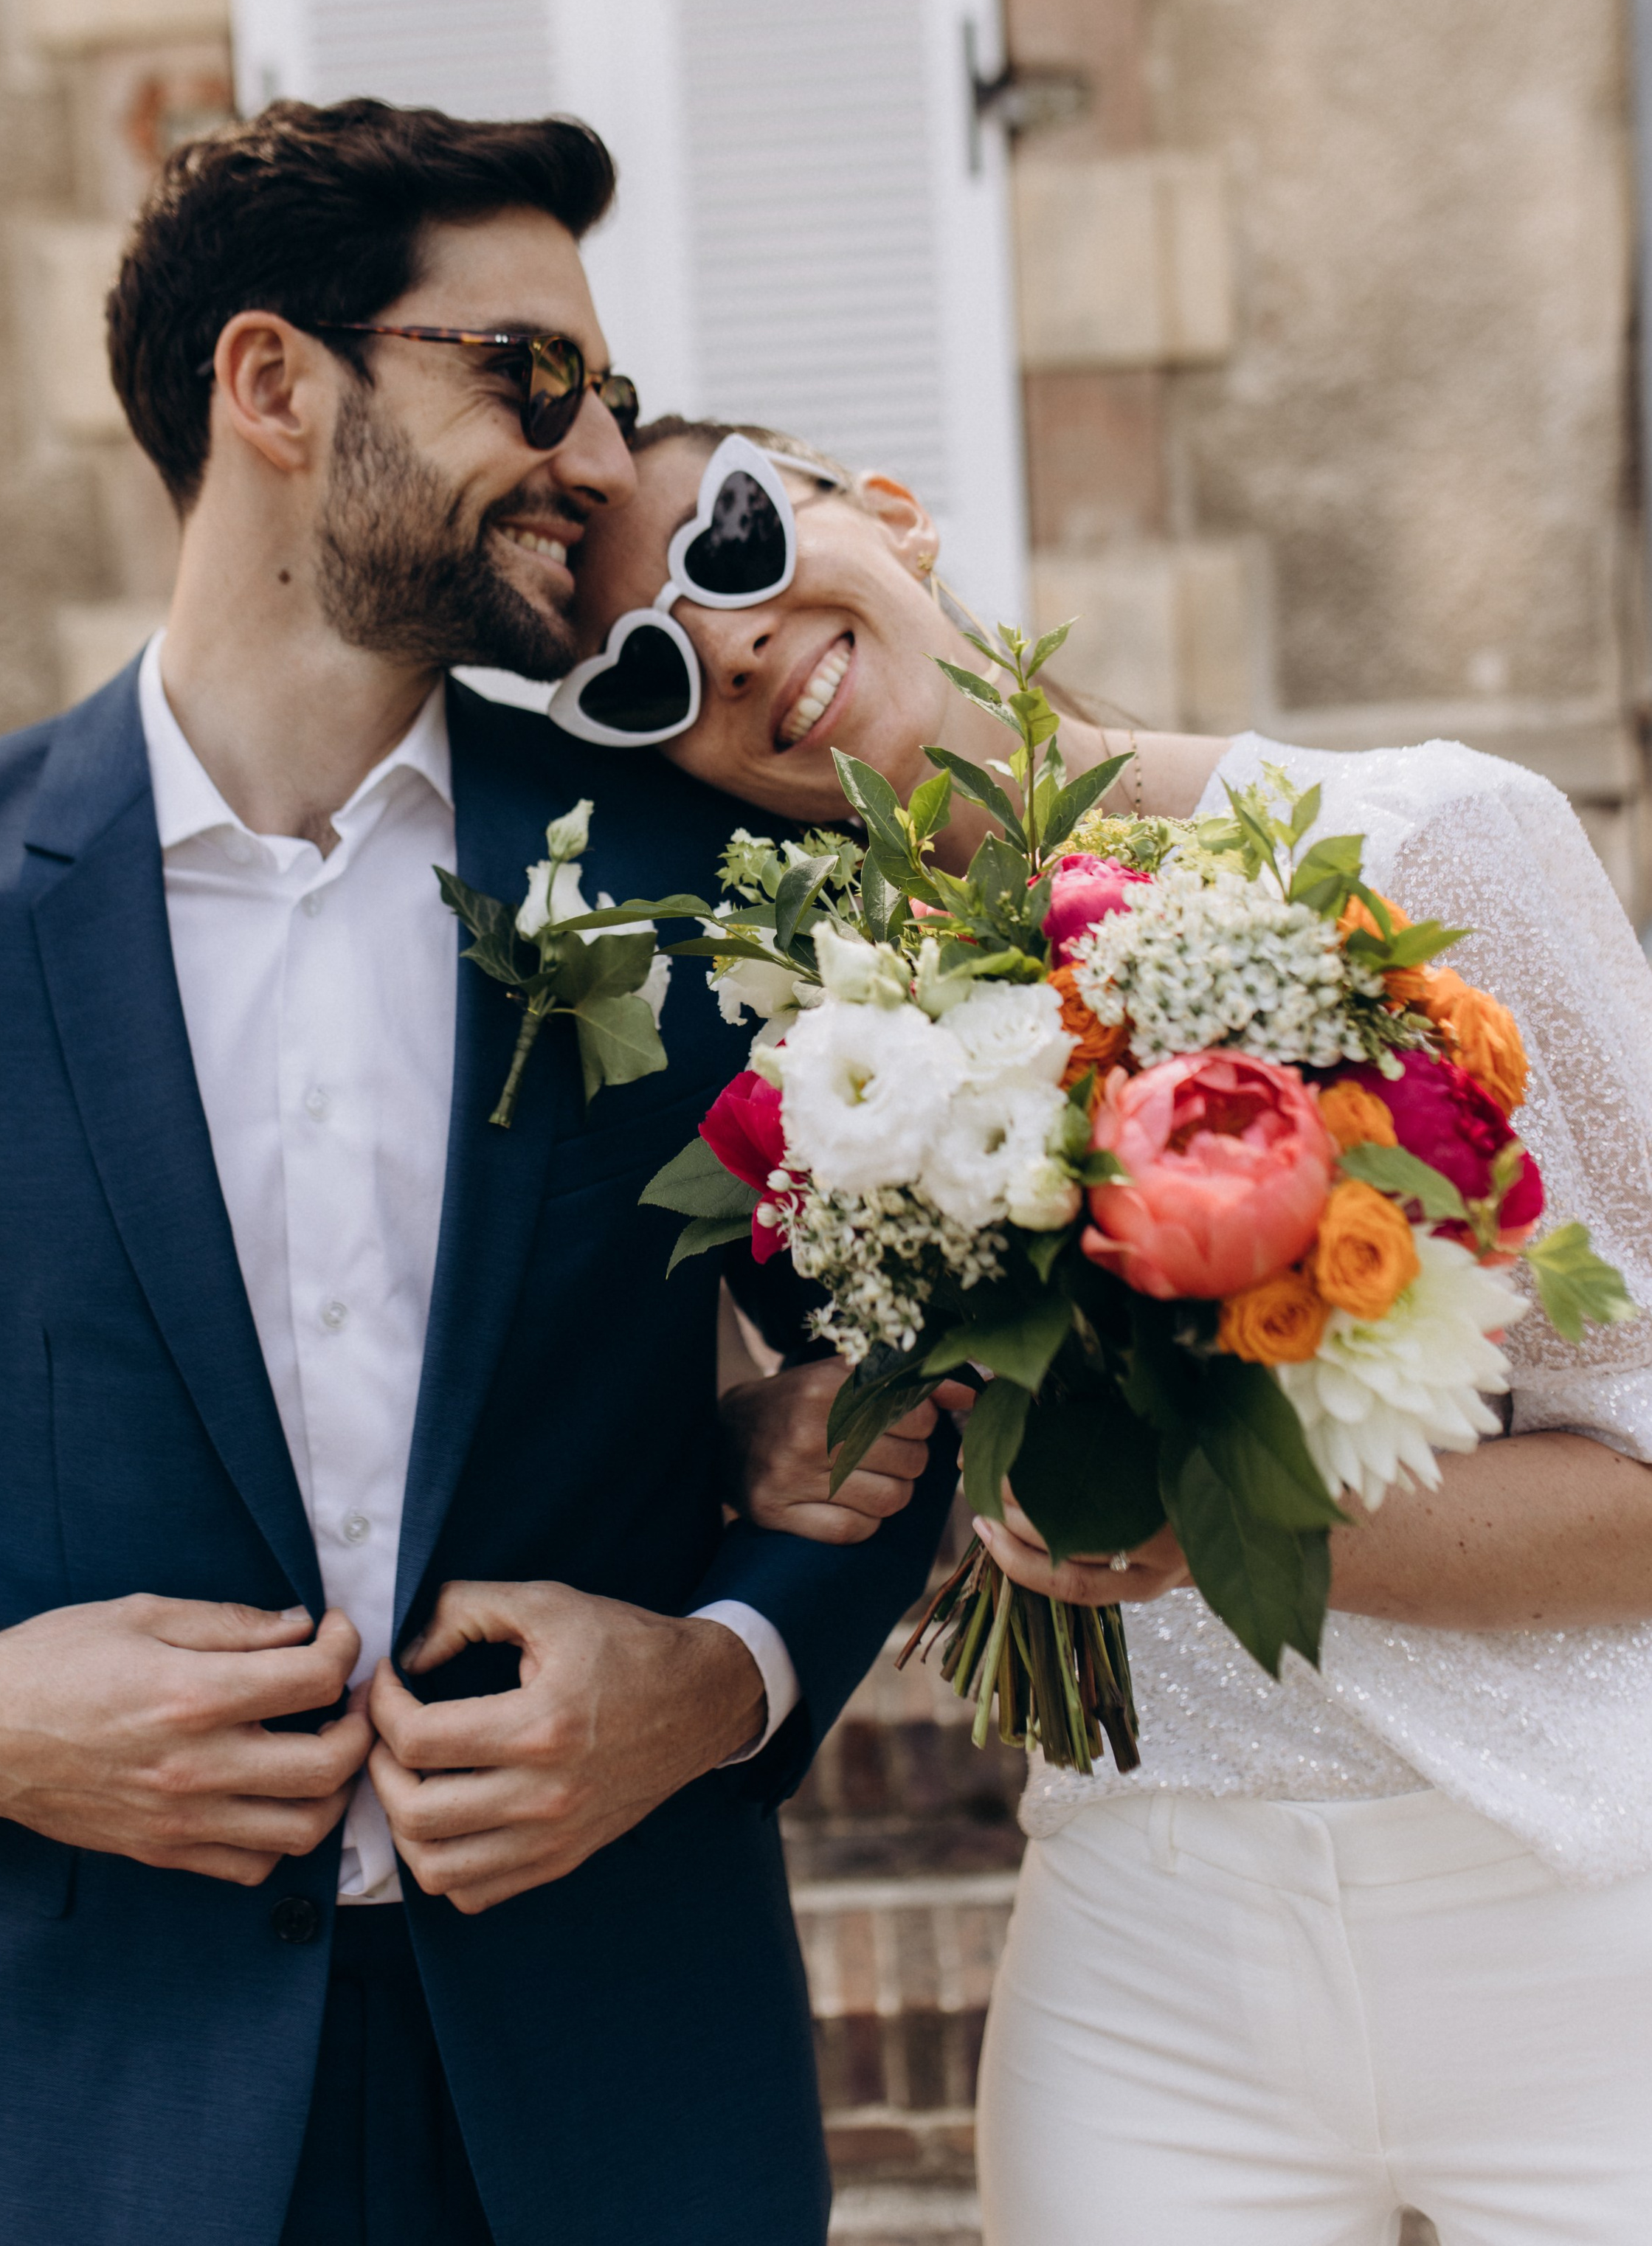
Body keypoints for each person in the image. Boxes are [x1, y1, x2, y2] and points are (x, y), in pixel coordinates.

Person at [0, 110, 955, 2246]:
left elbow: (919, 1372)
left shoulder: (708, 867)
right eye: (531, 376)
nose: (598, 464)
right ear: (275, 385)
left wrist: (721, 1678)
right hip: (77, 2112)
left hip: (619, 2084)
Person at [568, 412, 1652, 2245]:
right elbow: (878, 1420)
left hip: (1574, 1898)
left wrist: (1210, 1524)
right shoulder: (821, 1052)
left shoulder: (1439, 840)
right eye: (647, 669)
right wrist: (765, 1430)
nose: (731, 638)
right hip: (1144, 1935)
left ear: (890, 514)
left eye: (736, 538)